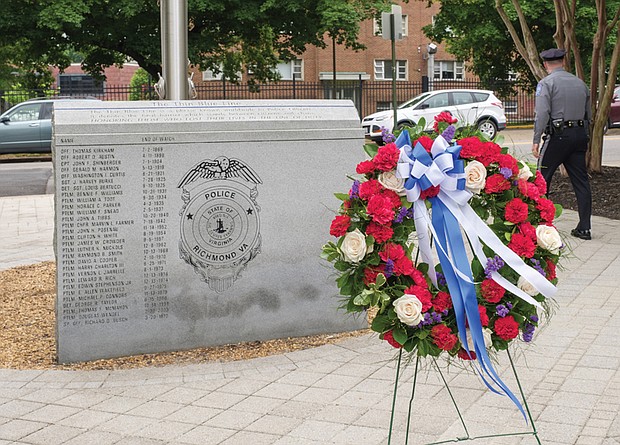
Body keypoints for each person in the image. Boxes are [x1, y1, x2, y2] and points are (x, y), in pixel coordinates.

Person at [532, 48, 592, 240]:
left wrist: (536, 139)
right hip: (579, 135)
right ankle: (584, 228)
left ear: (545, 65)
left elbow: (542, 114)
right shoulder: (581, 84)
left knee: (541, 180)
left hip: (558, 136)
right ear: (563, 62)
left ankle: (542, 225)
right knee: (581, 181)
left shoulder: (546, 83)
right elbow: (588, 114)